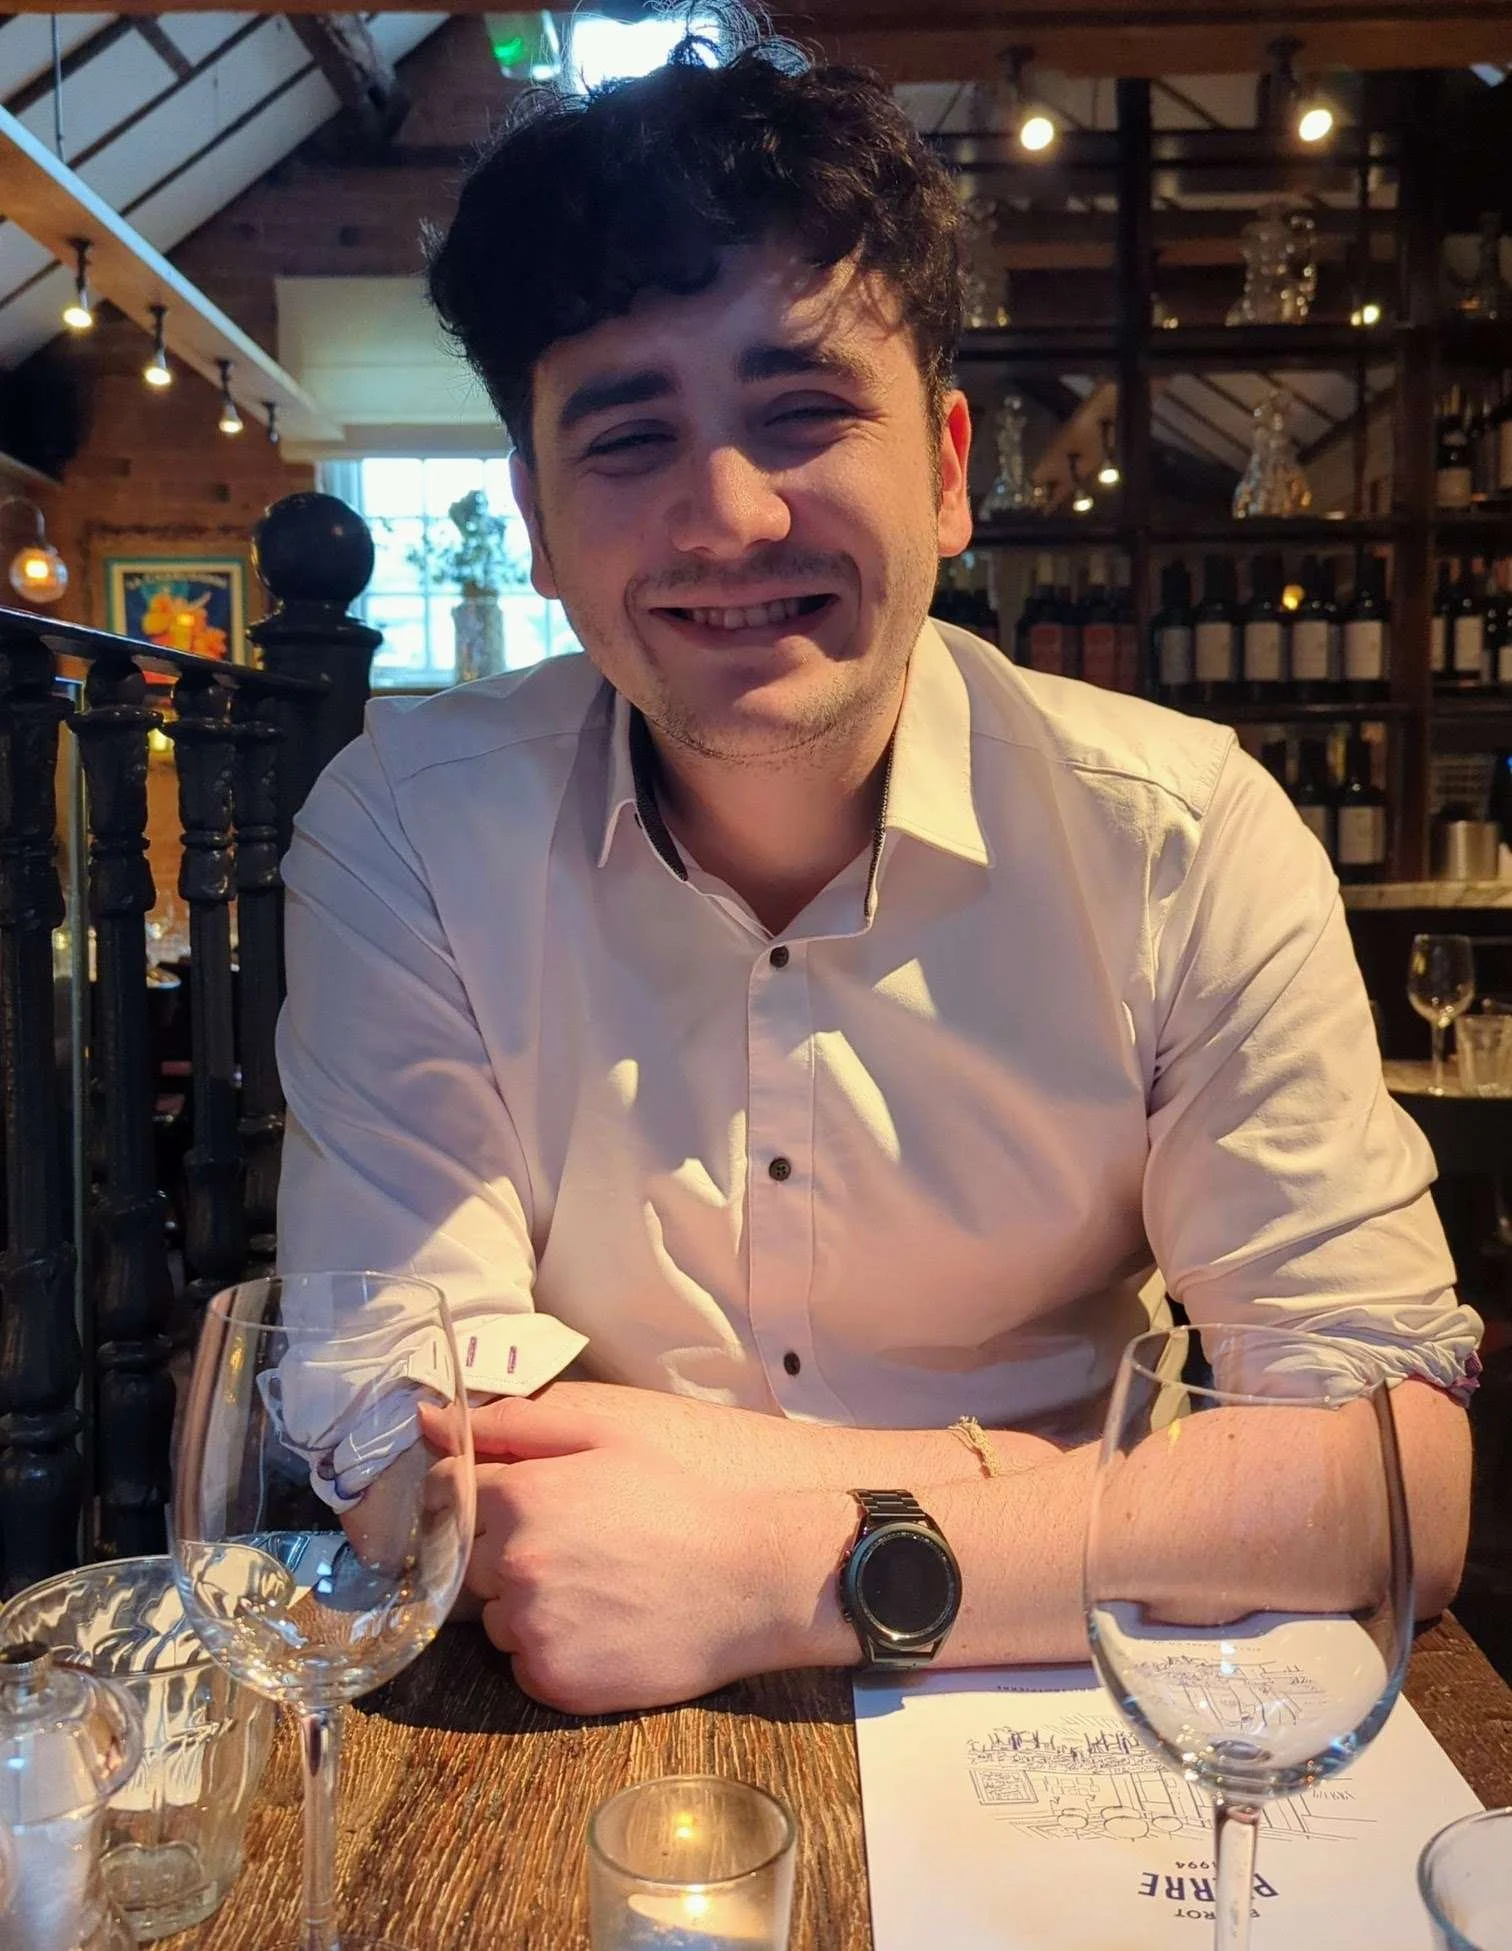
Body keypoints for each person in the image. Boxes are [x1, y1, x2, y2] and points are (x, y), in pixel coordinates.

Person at [276, 19, 1480, 1714]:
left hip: (1070, 1719)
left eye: (804, 409)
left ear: (949, 469)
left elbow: (1394, 1475)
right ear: (536, 523)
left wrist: (798, 1559)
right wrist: (1082, 1494)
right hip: (586, 1712)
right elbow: (388, 1426)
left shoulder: (1184, 836)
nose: (730, 518)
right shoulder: (407, 826)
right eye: (627, 437)